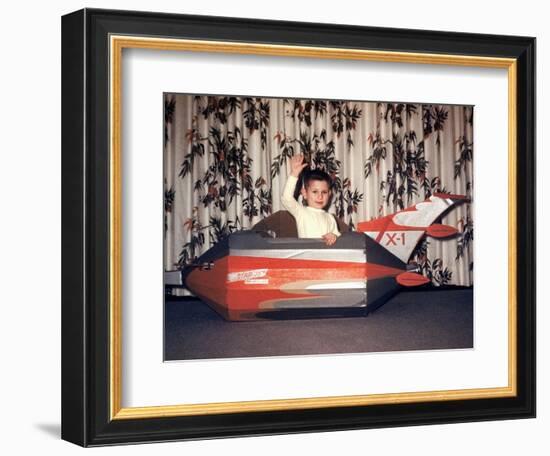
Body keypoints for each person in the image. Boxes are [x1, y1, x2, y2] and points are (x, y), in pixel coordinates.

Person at [281, 154, 340, 246]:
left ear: (329, 194)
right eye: (315, 192)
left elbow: (339, 239)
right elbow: (286, 199)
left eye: (324, 192)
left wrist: (334, 237)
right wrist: (294, 174)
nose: (320, 196)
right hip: (307, 257)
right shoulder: (301, 212)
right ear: (304, 193)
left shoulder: (330, 218)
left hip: (326, 257)